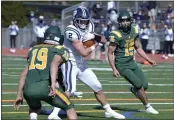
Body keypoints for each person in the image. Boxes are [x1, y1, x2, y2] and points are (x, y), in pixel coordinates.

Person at [49, 6, 125, 119]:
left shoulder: (90, 26)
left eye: (85, 21)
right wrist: (96, 44)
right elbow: (84, 52)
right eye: (81, 21)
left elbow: (102, 39)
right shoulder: (71, 30)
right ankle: (54, 113)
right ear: (75, 20)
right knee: (70, 90)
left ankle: (108, 110)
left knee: (97, 86)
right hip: (69, 61)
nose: (84, 23)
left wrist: (104, 36)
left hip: (80, 62)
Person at [14, 26, 77, 120]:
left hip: (28, 91)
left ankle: (33, 118)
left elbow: (23, 74)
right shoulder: (60, 49)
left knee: (35, 108)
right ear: (58, 37)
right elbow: (54, 64)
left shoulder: (33, 49)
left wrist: (19, 95)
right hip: (45, 88)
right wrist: (53, 84)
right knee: (69, 108)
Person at [107, 11, 159, 115]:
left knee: (145, 85)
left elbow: (138, 47)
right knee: (139, 85)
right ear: (119, 22)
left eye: (127, 20)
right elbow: (110, 53)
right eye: (122, 20)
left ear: (130, 20)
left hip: (131, 62)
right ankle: (147, 107)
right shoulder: (116, 34)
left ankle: (134, 90)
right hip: (122, 64)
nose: (125, 22)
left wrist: (149, 59)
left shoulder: (134, 29)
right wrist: (114, 69)